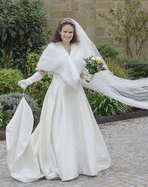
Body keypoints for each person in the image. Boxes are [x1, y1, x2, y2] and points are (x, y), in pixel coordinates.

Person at [13, 18, 111, 182]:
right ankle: (62, 163)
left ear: (74, 34)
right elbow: (43, 71)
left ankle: (81, 162)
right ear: (60, 32)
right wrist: (28, 81)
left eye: (70, 32)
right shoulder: (53, 49)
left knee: (78, 125)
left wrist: (92, 72)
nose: (68, 35)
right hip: (59, 93)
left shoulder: (79, 49)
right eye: (65, 32)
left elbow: (83, 74)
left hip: (76, 93)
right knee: (60, 126)